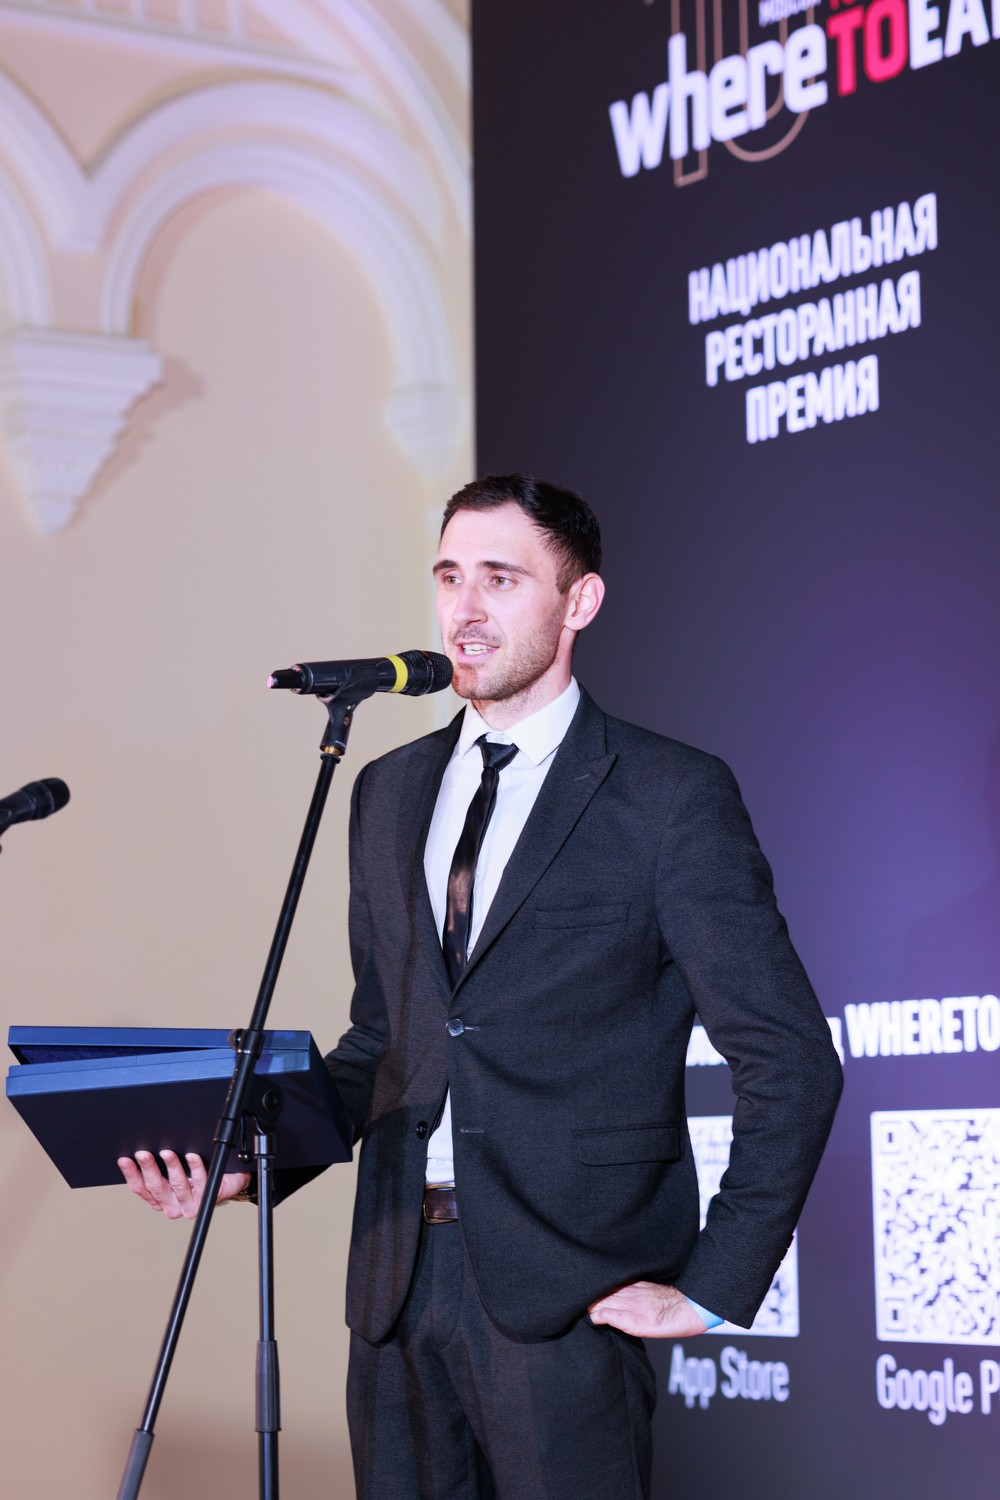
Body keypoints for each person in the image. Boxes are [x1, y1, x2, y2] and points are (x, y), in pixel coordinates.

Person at [121, 474, 843, 1499]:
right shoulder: (386, 791)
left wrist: (713, 1287)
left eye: (500, 579)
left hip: (568, 1292)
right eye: (450, 576)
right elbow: (385, 1043)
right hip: (396, 1287)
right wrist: (251, 1165)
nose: (465, 608)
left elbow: (790, 1060)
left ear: (579, 601)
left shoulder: (668, 796)